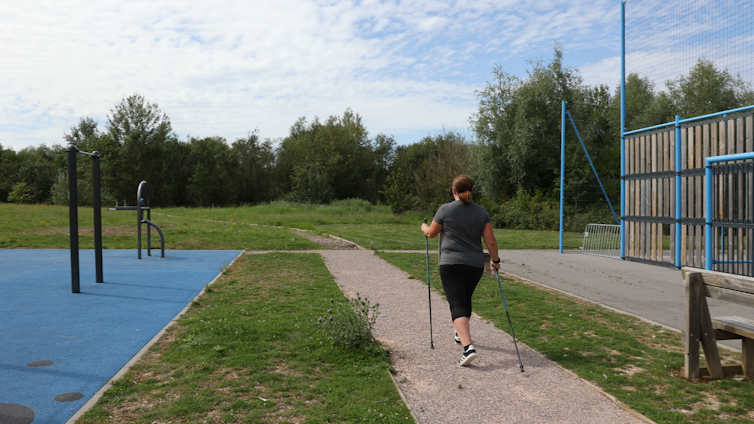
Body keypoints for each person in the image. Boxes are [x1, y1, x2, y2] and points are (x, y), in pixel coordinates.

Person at [420, 174, 500, 366]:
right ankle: (460, 333)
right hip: (474, 264)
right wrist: (496, 260)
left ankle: (468, 347)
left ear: (453, 191)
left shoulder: (445, 209)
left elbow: (431, 233)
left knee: (456, 303)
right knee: (465, 299)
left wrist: (423, 227)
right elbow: (490, 240)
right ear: (472, 191)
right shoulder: (482, 212)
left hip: (451, 264)